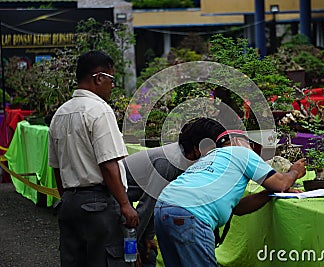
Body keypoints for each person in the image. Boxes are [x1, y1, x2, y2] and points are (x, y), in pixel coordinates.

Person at [122, 118, 278, 266]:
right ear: (199, 148)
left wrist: (147, 237)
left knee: (148, 254)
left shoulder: (188, 161)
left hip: (147, 210)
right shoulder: (168, 163)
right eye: (214, 149)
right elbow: (147, 205)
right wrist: (132, 243)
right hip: (114, 199)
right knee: (127, 257)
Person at [154, 119, 307, 267]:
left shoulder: (211, 158)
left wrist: (267, 194)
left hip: (164, 207)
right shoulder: (242, 153)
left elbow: (237, 208)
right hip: (191, 213)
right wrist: (294, 172)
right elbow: (280, 182)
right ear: (240, 141)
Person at [48, 50, 138, 267]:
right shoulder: (99, 110)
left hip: (69, 203)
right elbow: (108, 164)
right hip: (99, 205)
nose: (113, 85)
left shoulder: (59, 114)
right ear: (98, 78)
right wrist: (125, 204)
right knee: (107, 260)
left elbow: (56, 168)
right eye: (111, 79)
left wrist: (68, 199)